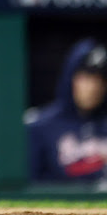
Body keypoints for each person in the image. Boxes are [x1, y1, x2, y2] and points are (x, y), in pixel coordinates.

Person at [27, 39, 107, 181]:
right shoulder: (40, 126)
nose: (94, 87)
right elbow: (28, 191)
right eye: (85, 78)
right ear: (70, 78)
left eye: (101, 80)